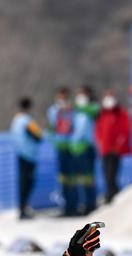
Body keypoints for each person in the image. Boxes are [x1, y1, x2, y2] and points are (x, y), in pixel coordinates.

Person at [94, 90, 132, 204]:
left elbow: (125, 130)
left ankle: (113, 194)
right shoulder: (102, 114)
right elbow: (98, 131)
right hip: (105, 149)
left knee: (112, 173)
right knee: (106, 174)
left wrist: (118, 146)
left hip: (116, 150)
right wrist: (100, 144)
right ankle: (110, 193)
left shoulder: (121, 113)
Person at [10, 97, 43, 219]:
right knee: (28, 183)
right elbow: (38, 136)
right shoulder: (28, 121)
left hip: (20, 153)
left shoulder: (15, 121)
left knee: (22, 183)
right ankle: (24, 209)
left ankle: (22, 208)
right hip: (30, 155)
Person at [47, 87, 77, 216]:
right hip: (60, 147)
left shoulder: (73, 111)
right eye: (60, 97)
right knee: (63, 178)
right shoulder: (53, 110)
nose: (62, 100)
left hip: (71, 147)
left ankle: (74, 204)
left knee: (73, 178)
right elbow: (52, 128)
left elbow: (76, 126)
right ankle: (65, 205)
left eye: (64, 97)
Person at [70, 85, 99, 215]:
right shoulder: (75, 112)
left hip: (87, 147)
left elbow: (94, 111)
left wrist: (81, 107)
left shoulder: (92, 109)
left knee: (88, 178)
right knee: (77, 179)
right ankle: (78, 204)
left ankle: (91, 203)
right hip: (76, 148)